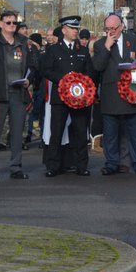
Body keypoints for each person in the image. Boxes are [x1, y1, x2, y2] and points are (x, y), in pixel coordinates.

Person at [0, 11, 38, 181]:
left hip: (18, 93)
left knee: (18, 132)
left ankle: (16, 167)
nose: (12, 25)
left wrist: (29, 80)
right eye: (8, 22)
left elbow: (33, 65)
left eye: (14, 23)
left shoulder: (24, 42)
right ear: (1, 24)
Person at [90, 13, 136, 176]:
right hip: (111, 93)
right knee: (110, 133)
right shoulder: (101, 44)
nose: (111, 32)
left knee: (134, 133)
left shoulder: (134, 40)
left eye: (114, 28)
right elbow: (98, 66)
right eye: (107, 29)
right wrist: (107, 47)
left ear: (121, 27)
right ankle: (111, 163)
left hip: (132, 91)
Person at [41, 16, 93, 178]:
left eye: (76, 28)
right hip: (60, 97)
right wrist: (64, 80)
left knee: (80, 132)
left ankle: (81, 165)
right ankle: (53, 165)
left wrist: (82, 82)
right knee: (56, 132)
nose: (75, 31)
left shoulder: (82, 50)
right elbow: (47, 70)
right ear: (64, 30)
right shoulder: (54, 50)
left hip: (79, 99)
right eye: (72, 28)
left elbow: (89, 72)